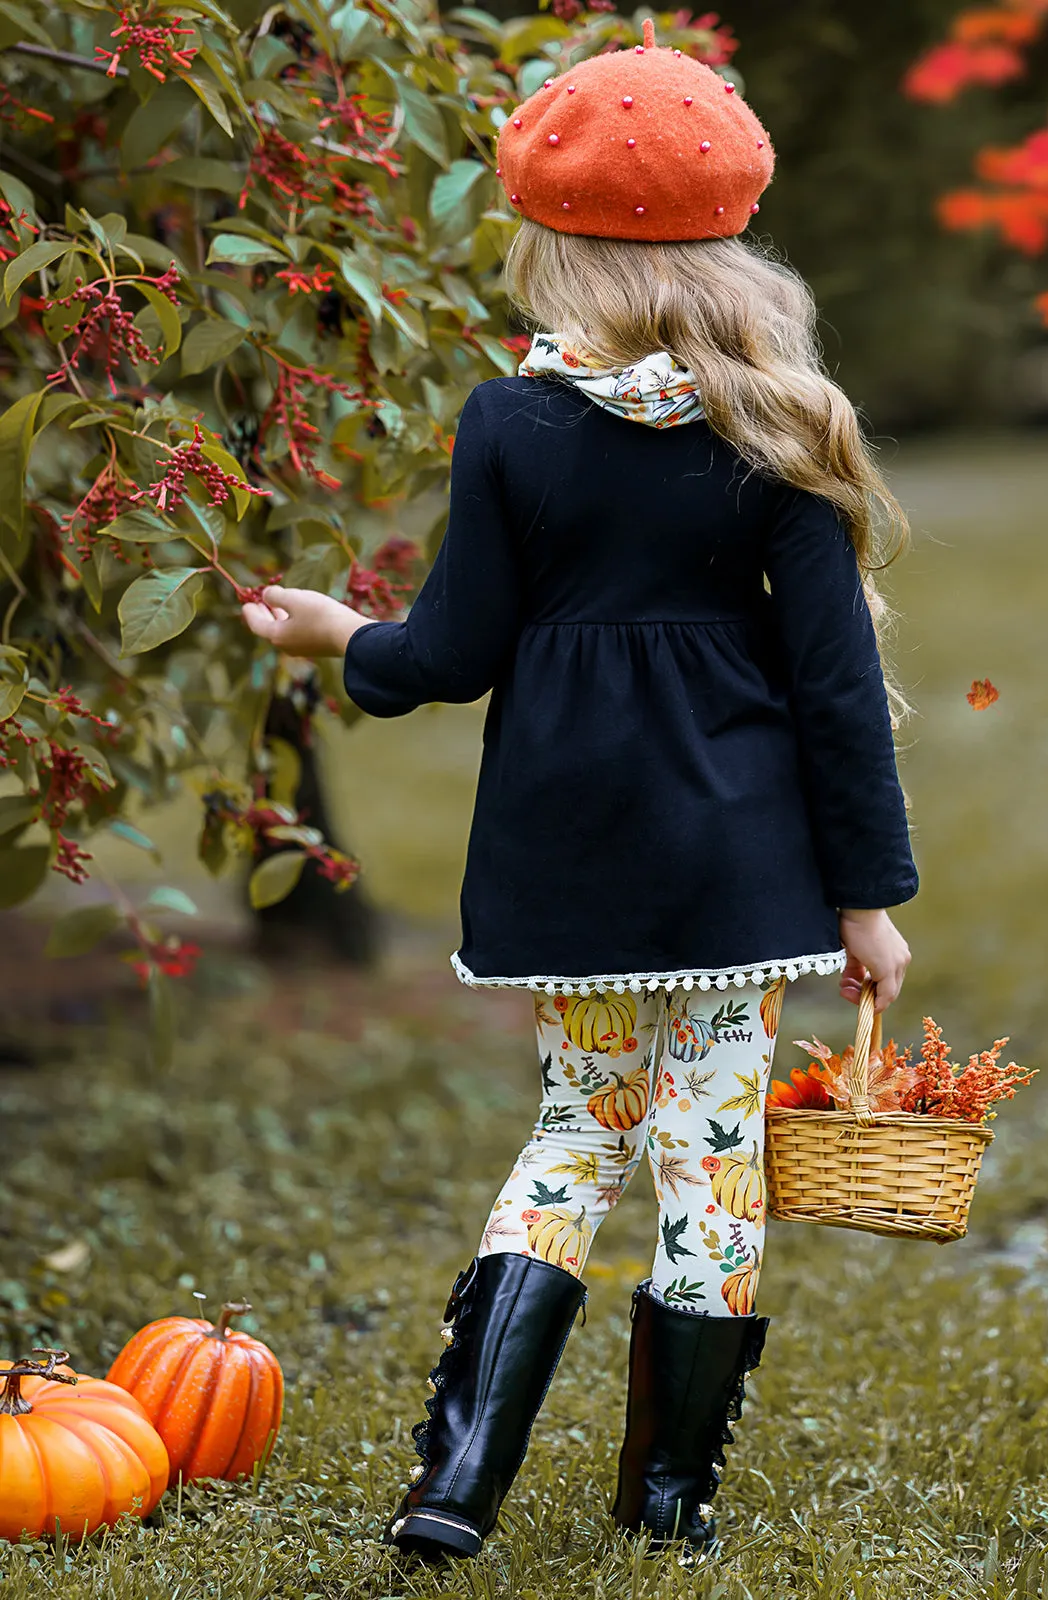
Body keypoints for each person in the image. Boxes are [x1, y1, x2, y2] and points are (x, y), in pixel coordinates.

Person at [242, 18, 916, 1565]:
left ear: (550, 239)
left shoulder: (510, 422)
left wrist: (343, 634)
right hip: (740, 880)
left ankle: (455, 1481)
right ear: (733, 237)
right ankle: (668, 1502)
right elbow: (832, 692)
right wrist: (868, 898)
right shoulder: (782, 422)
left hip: (573, 870)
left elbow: (455, 653)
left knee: (574, 1136)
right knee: (710, 1158)